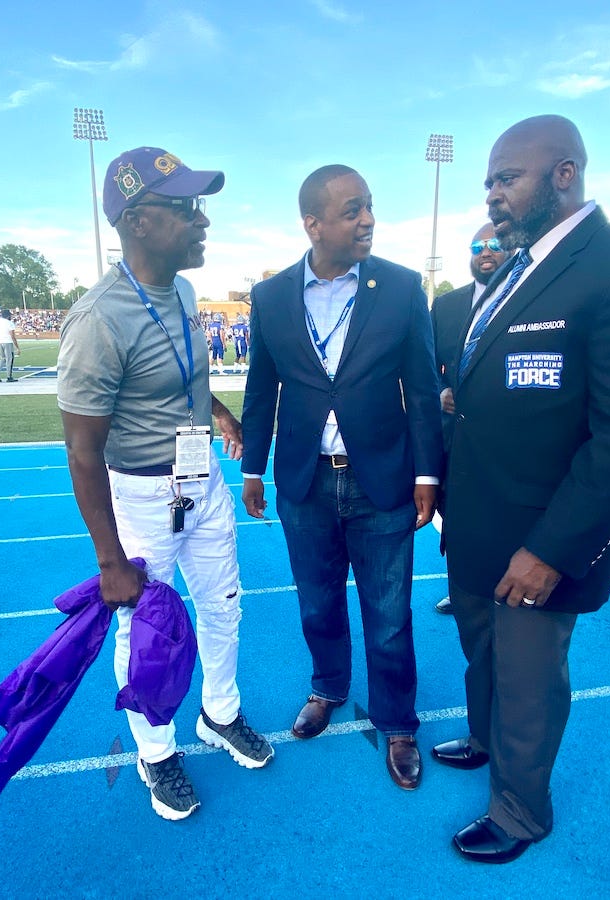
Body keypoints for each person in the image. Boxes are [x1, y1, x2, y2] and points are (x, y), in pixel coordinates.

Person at [435, 115, 610, 863]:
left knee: (528, 677)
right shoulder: (510, 270)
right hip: (477, 523)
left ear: (564, 173)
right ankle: (484, 741)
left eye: (506, 178)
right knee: (483, 658)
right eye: (486, 181)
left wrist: (551, 549)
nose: (491, 195)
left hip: (543, 537)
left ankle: (521, 812)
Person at [57, 146, 272, 822]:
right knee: (146, 633)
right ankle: (155, 750)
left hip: (201, 481)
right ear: (139, 221)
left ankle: (221, 713)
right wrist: (109, 560)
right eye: (185, 207)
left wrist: (219, 414)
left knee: (223, 605)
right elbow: (81, 449)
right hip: (144, 498)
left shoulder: (179, 290)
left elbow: (181, 375)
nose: (201, 220)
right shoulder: (98, 319)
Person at [240, 164, 443, 791]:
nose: (368, 220)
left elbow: (424, 386)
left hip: (381, 477)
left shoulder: (403, 287)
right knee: (316, 602)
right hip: (304, 479)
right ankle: (327, 688)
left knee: (388, 613)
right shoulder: (271, 296)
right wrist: (253, 465)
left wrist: (429, 476)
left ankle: (397, 720)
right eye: (353, 210)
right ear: (313, 223)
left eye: (370, 207)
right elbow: (261, 387)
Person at [432, 223, 510, 615]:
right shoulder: (446, 306)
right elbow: (423, 365)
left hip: (506, 440)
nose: (486, 252)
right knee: (455, 517)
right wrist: (438, 391)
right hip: (453, 439)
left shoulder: (528, 297)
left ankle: (503, 587)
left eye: (495, 245)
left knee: (501, 518)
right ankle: (462, 588)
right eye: (478, 246)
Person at [0, 309, 21, 383]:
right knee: (9, 359)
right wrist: (17, 347)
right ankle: (9, 376)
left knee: (3, 358)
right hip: (7, 341)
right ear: (7, 316)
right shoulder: (9, 323)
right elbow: (12, 336)